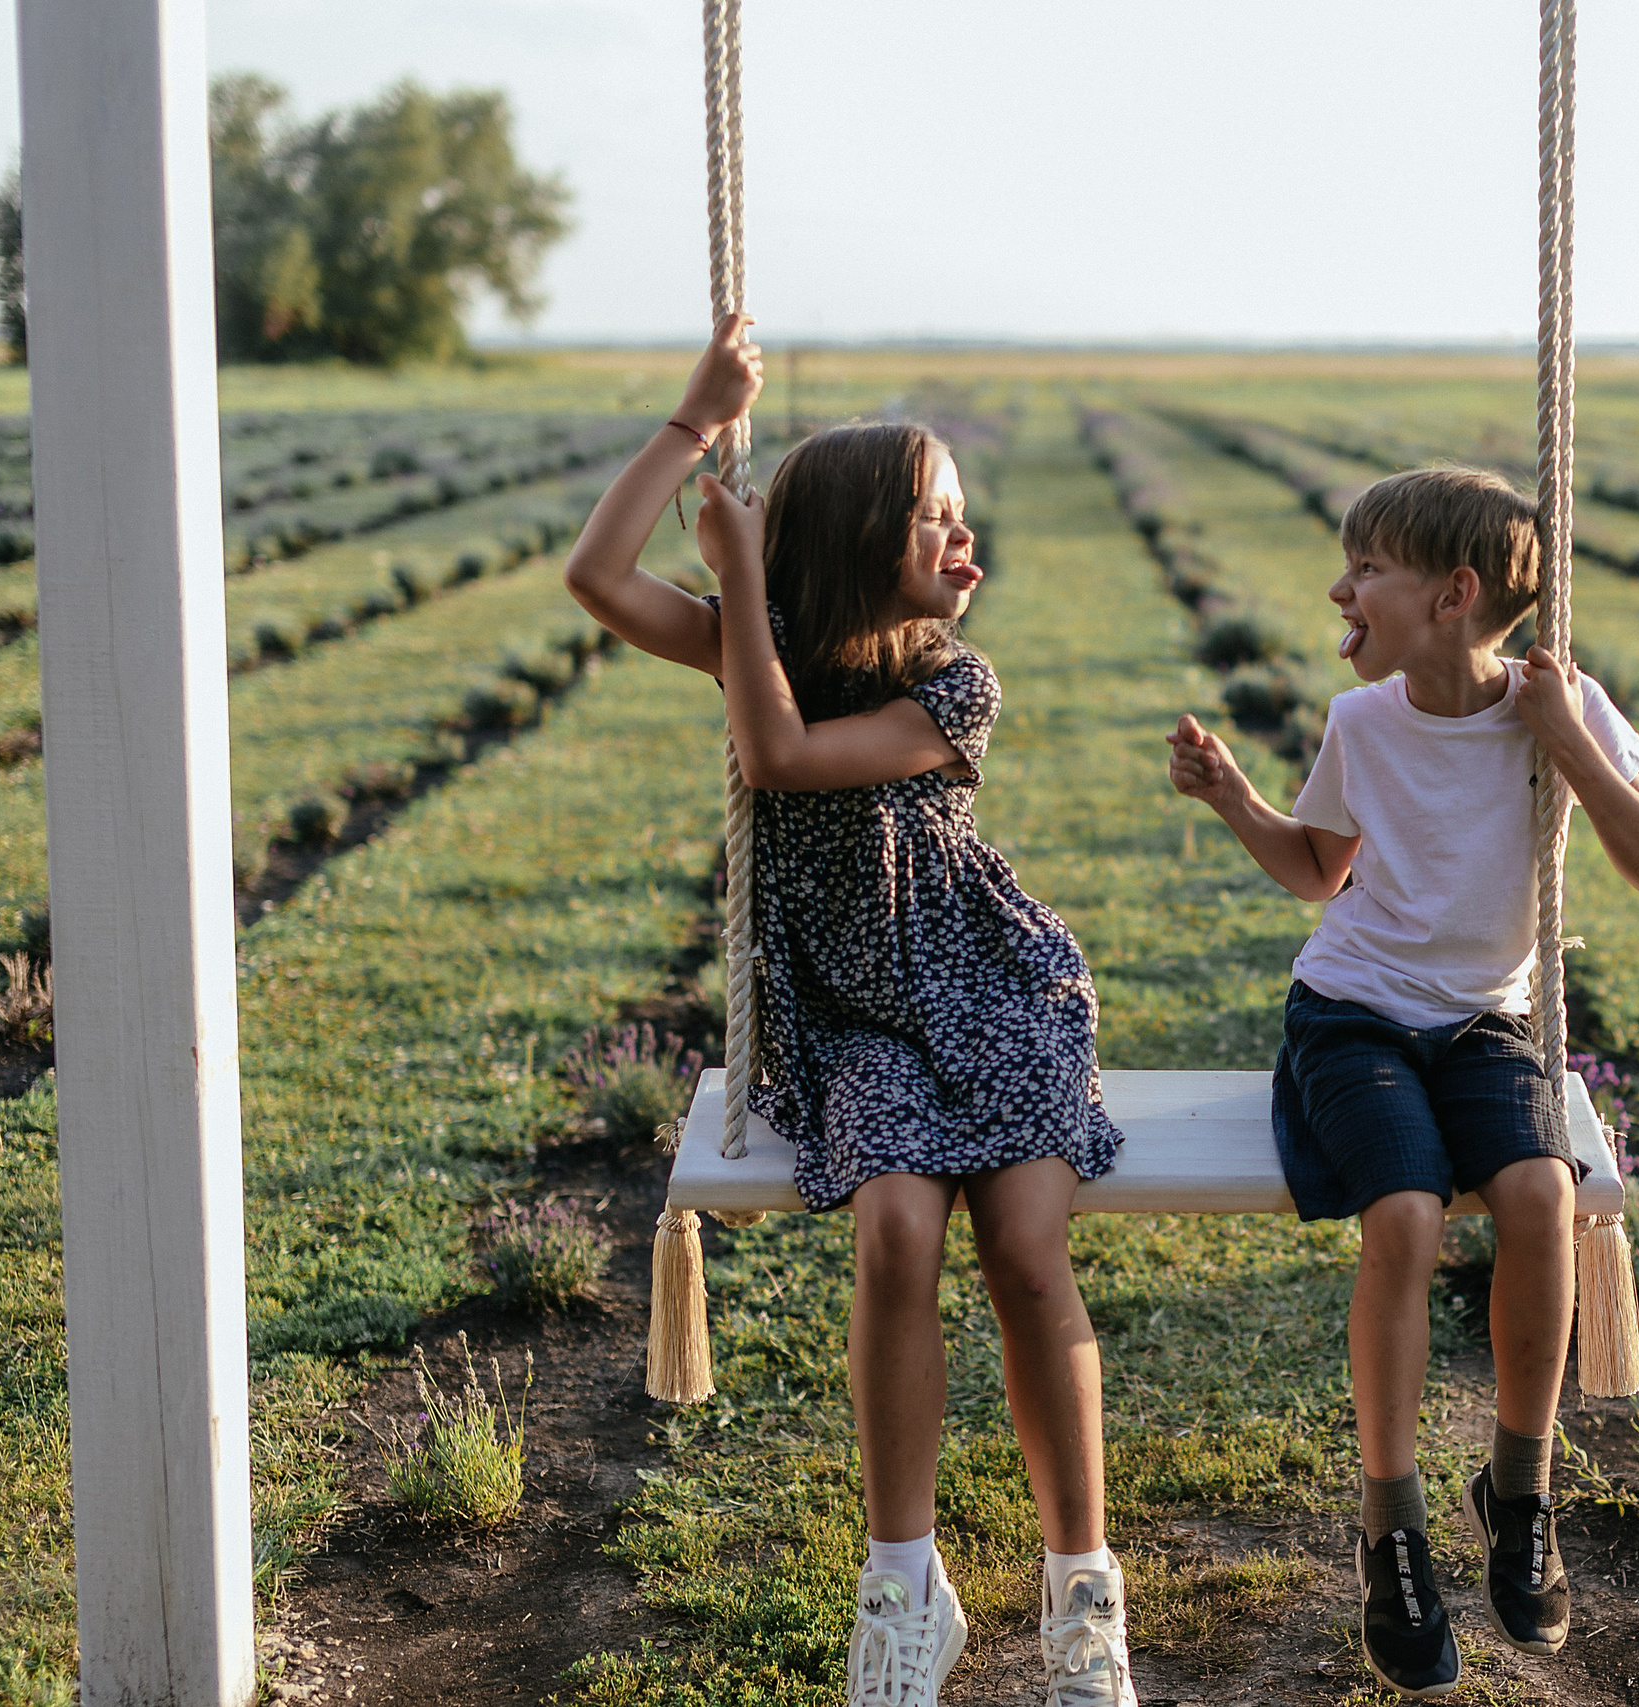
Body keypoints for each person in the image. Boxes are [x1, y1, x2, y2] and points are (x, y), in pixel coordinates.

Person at [566, 316, 1137, 1707]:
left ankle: (1081, 1590)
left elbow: (782, 756)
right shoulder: (753, 647)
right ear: (857, 533)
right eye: (932, 512)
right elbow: (594, 573)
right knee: (893, 1230)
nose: (962, 532)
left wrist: (745, 583)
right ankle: (902, 1584)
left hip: (990, 993)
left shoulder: (956, 683)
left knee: (1025, 1247)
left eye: (960, 509)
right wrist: (694, 424)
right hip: (858, 1024)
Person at [1166, 465, 1639, 1699]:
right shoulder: (1361, 724)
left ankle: (1519, 1487)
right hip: (1349, 1018)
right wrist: (1239, 798)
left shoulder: (1563, 707)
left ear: (1452, 597)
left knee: (1536, 1198)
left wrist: (1569, 743)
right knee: (1401, 1216)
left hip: (1485, 1027)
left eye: (1368, 569)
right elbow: (1317, 874)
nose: (1339, 587)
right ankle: (1390, 1526)